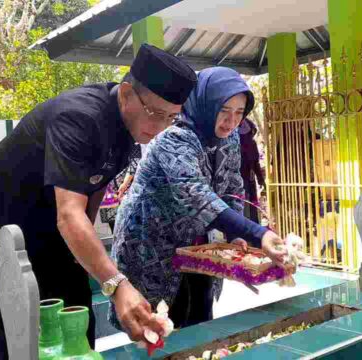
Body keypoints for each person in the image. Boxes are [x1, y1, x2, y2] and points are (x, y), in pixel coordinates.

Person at [0, 44, 198, 359]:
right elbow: (68, 214)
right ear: (127, 93)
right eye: (156, 113)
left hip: (55, 209)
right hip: (4, 208)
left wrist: (91, 249)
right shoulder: (79, 116)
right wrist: (117, 283)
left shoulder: (130, 127)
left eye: (171, 118)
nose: (159, 128)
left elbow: (95, 182)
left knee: (75, 296)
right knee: (17, 309)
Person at [109, 67, 286, 330]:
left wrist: (233, 234)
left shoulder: (229, 138)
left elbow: (232, 185)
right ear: (206, 103)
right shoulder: (174, 139)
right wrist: (257, 234)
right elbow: (196, 195)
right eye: (223, 110)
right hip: (152, 245)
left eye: (239, 113)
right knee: (161, 325)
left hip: (199, 247)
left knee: (201, 322)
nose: (231, 121)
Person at [239, 118, 265, 223]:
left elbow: (255, 163)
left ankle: (251, 225)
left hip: (248, 177)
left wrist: (260, 179)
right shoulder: (234, 142)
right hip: (240, 178)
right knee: (242, 203)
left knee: (250, 203)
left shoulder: (251, 144)